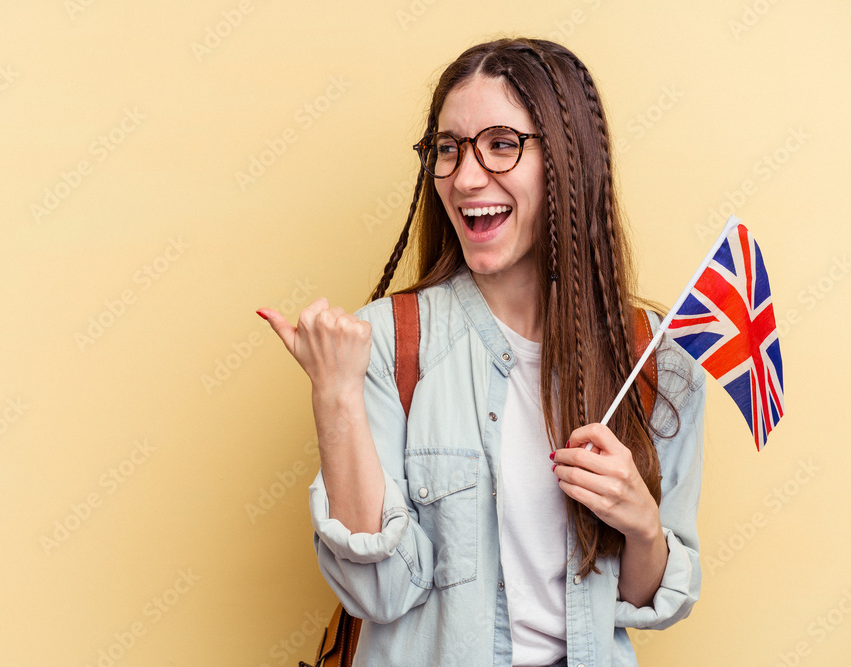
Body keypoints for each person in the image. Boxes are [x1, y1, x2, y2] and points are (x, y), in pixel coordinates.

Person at [257, 37, 705, 667]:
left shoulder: (655, 361)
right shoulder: (385, 343)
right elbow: (377, 592)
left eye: (501, 144)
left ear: (567, 160)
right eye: (448, 149)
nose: (466, 178)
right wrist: (334, 395)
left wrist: (641, 525)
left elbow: (644, 600)